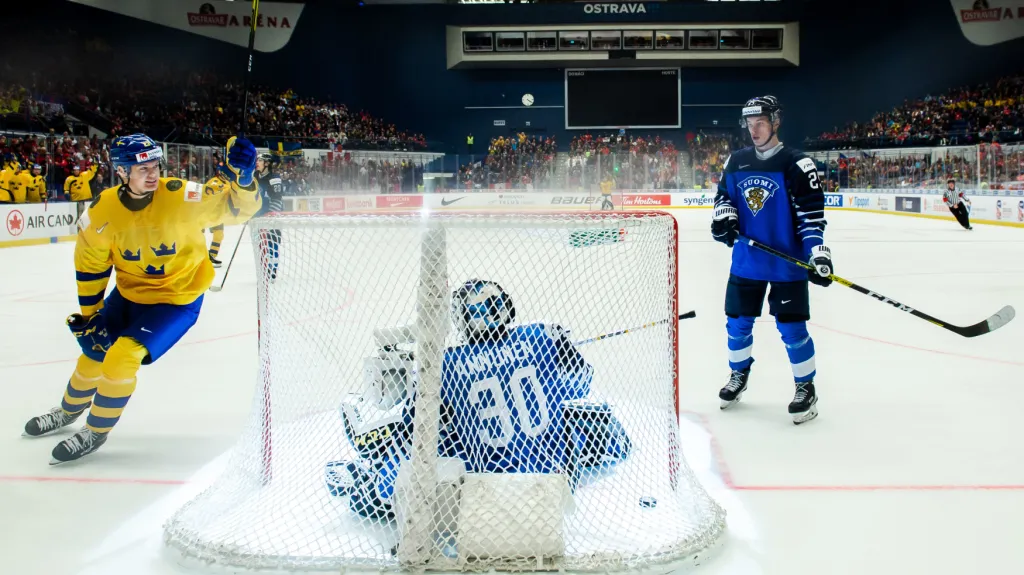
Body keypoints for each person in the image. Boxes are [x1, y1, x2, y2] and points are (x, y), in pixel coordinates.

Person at [22, 134, 262, 464]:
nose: (153, 174)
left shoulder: (182, 196)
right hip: (130, 294)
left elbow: (237, 210)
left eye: (155, 166)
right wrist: (91, 318)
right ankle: (66, 412)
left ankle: (95, 430)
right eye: (142, 168)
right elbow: (90, 267)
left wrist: (245, 180)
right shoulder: (101, 211)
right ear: (121, 171)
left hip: (178, 299)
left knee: (122, 355)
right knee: (94, 351)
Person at [324, 279, 631, 519]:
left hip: (486, 490)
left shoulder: (446, 362)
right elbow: (581, 383)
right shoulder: (545, 335)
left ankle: (371, 474)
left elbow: (415, 430)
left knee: (435, 439)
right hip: (559, 483)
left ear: (462, 319)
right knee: (580, 420)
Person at [711, 95, 832, 425]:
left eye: (761, 123)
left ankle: (805, 387)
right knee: (736, 326)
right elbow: (725, 198)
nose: (754, 130)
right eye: (750, 124)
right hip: (747, 261)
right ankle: (738, 375)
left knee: (793, 329)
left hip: (786, 263)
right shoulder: (736, 161)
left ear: (776, 122)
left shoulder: (797, 164)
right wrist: (723, 218)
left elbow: (811, 218)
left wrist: (818, 254)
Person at [255, 153, 284, 279]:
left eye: (260, 160)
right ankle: (264, 268)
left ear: (266, 163)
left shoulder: (274, 178)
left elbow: (277, 198)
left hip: (272, 215)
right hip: (259, 215)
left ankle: (272, 271)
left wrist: (271, 216)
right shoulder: (255, 176)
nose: (257, 162)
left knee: (273, 242)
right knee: (261, 243)